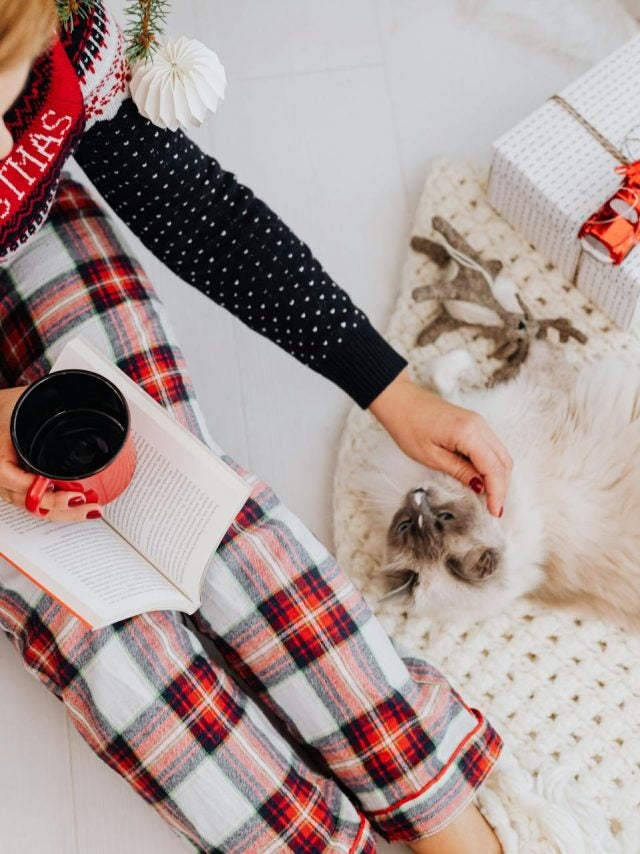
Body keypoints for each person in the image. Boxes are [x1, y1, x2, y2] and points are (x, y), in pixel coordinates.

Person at [0, 1, 511, 851]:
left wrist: (390, 389)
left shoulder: (52, 34)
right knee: (98, 635)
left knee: (199, 513)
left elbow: (201, 214)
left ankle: (438, 805)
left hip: (27, 236)